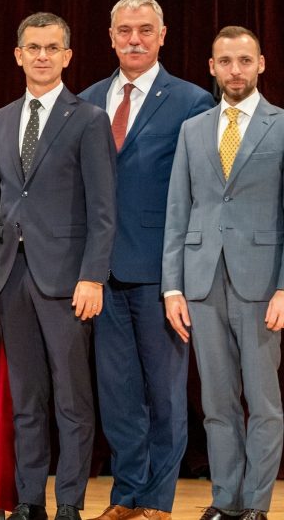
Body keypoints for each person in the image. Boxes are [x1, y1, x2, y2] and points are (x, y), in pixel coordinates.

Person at [78, 0, 214, 520]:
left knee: (166, 394)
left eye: (145, 30)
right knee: (117, 394)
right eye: (124, 30)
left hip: (162, 276)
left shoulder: (191, 101)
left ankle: (157, 499)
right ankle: (125, 494)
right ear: (110, 37)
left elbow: (200, 197)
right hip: (101, 274)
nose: (134, 39)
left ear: (162, 36)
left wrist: (183, 276)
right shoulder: (87, 101)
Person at [0, 12, 117, 520]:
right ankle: (30, 499)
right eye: (33, 47)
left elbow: (104, 208)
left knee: (72, 400)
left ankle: (71, 504)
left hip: (67, 281)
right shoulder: (0, 120)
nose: (42, 55)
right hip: (13, 277)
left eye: (52, 47)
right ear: (18, 55)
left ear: (67, 56)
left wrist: (93, 275)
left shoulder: (87, 118)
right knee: (26, 398)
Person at [162, 26, 284, 520]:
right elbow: (178, 210)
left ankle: (256, 504)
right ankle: (225, 500)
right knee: (216, 403)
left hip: (261, 284)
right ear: (212, 67)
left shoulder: (281, 125)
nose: (236, 69)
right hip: (202, 281)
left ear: (261, 65)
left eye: (245, 60)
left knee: (263, 402)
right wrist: (173, 285)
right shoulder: (194, 129)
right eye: (226, 61)